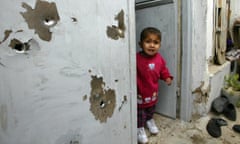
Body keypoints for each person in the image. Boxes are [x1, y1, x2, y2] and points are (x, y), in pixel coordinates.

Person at [137, 27, 173, 144]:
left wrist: (167, 77)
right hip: (140, 93)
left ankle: (150, 120)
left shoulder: (159, 59)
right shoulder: (136, 58)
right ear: (140, 44)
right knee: (140, 112)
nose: (152, 45)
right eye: (148, 42)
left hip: (153, 91)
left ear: (159, 45)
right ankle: (140, 128)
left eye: (155, 42)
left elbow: (163, 70)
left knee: (151, 109)